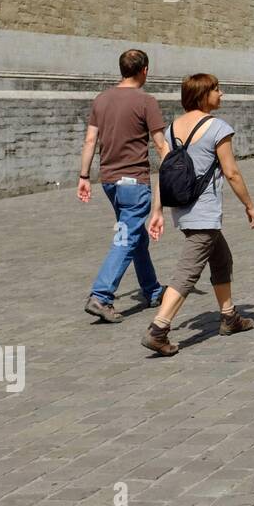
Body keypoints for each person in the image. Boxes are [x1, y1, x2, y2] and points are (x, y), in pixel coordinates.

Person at [142, 73, 254, 356]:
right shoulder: (217, 127)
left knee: (221, 258)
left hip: (182, 210)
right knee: (187, 271)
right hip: (203, 212)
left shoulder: (171, 130)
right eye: (217, 90)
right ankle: (158, 329)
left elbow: (164, 171)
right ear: (203, 94)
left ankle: (229, 316)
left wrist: (157, 210)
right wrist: (249, 205)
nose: (222, 94)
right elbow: (231, 172)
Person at [79, 49, 170, 323]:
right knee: (126, 237)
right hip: (134, 182)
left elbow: (90, 141)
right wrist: (178, 168)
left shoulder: (101, 99)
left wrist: (84, 176)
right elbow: (159, 143)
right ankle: (101, 295)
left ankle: (152, 290)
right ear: (145, 70)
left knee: (134, 235)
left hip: (109, 182)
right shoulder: (146, 101)